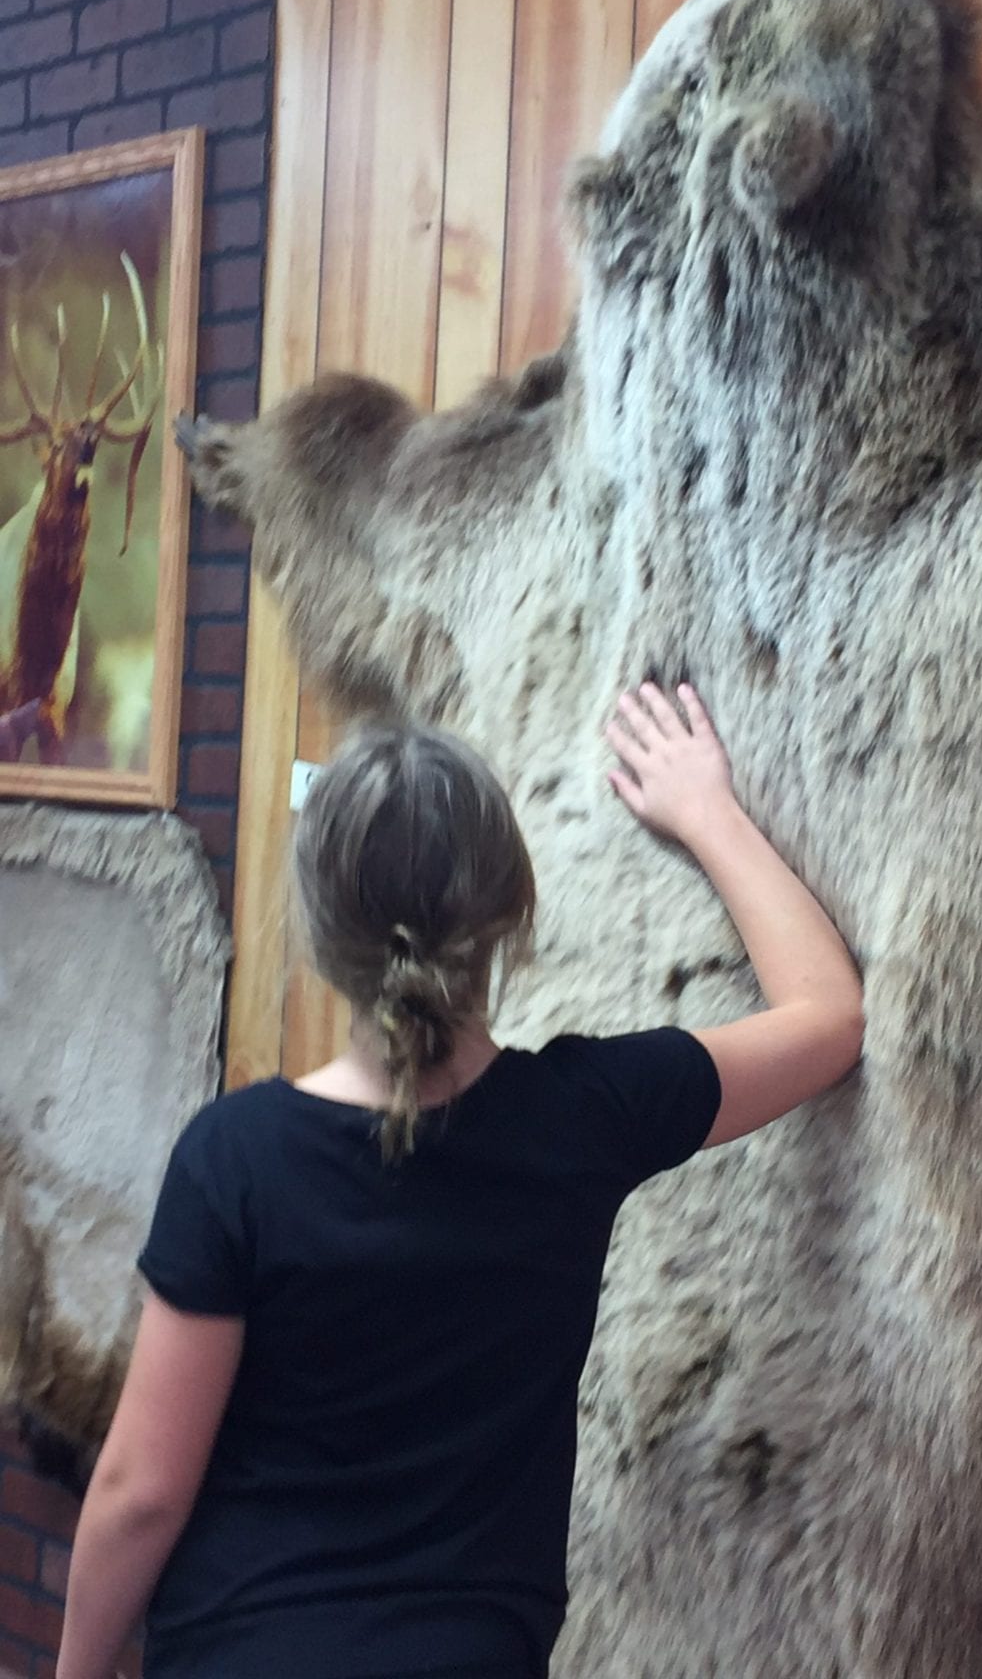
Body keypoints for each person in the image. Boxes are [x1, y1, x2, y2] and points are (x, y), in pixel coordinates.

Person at [55, 683, 864, 1679]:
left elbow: (141, 1492)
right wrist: (708, 813)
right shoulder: (586, 1115)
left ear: (316, 928)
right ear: (511, 918)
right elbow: (829, 1015)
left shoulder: (234, 1158)